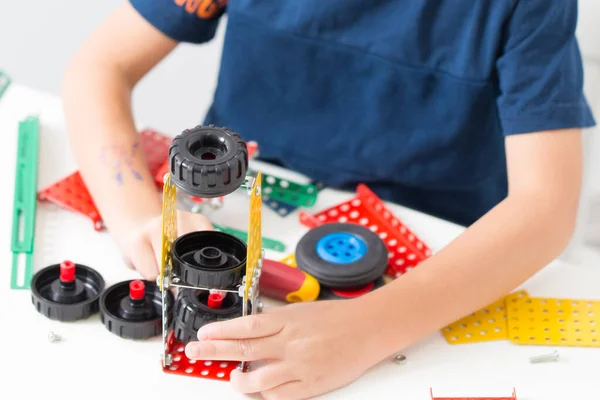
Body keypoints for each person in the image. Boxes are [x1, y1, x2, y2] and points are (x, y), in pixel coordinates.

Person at [62, 1, 595, 399]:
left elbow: (545, 208)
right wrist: (139, 216)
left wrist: (370, 326)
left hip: (439, 263)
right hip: (246, 212)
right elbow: (100, 68)